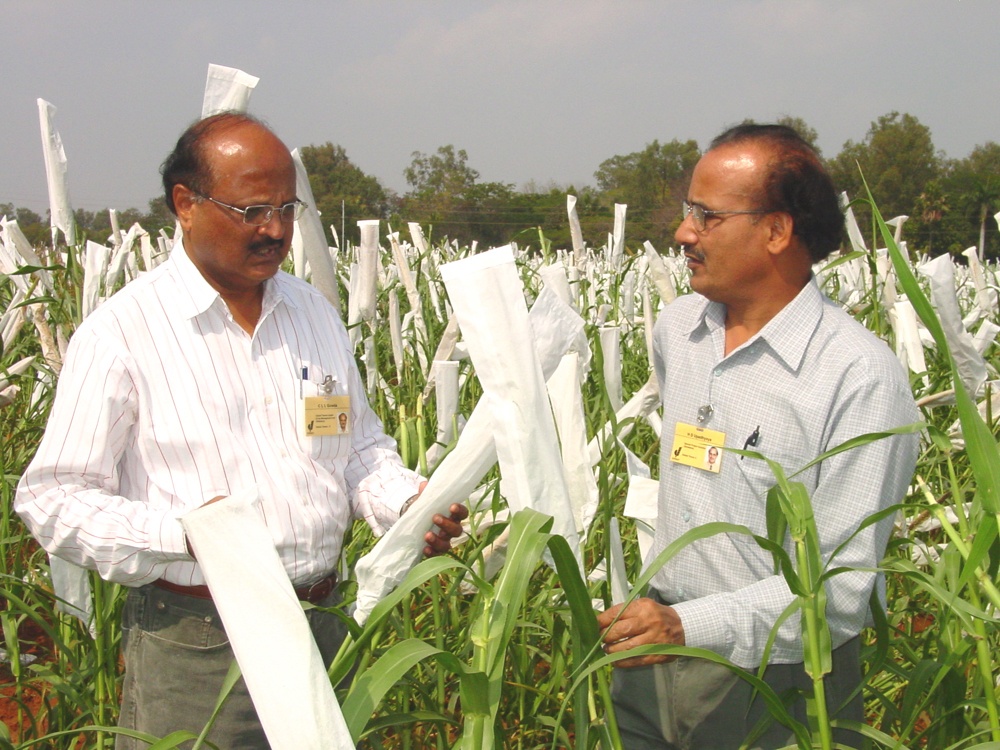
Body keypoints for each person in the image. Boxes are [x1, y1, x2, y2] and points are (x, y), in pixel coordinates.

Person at [15, 111, 467, 749]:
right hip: (200, 639)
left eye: (287, 208)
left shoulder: (312, 315)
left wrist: (406, 504)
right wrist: (191, 534)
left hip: (324, 620)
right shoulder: (123, 333)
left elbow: (355, 448)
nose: (276, 230)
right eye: (252, 210)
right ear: (186, 205)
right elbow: (51, 497)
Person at [596, 124, 920, 749]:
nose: (684, 232)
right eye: (689, 211)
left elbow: (841, 591)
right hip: (653, 652)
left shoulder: (858, 376)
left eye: (707, 216)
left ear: (776, 231)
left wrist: (690, 625)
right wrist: (664, 623)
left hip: (779, 679)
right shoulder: (679, 328)